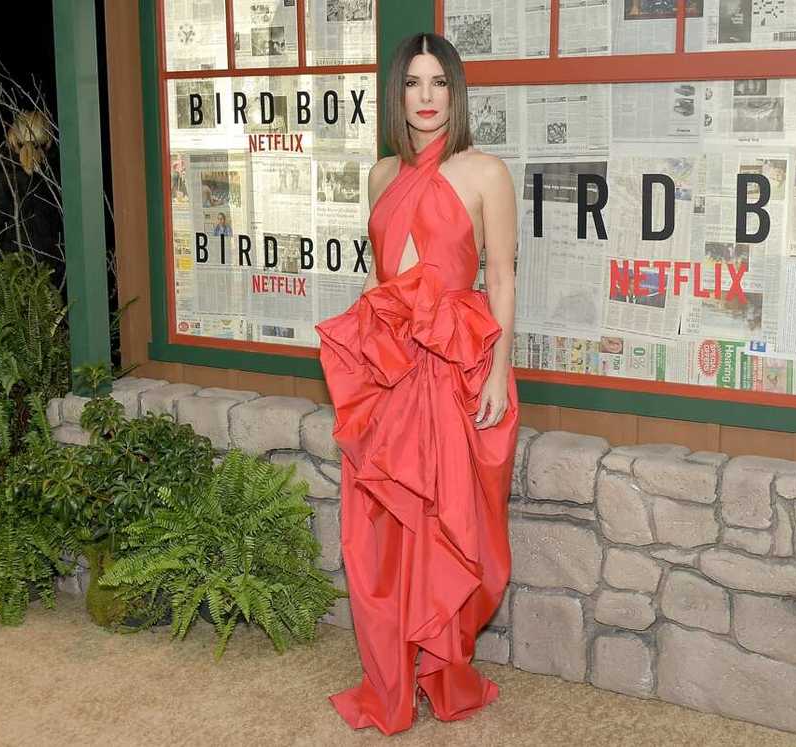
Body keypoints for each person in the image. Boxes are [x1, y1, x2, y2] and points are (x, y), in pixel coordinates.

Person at [315, 32, 519, 736]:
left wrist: (499, 367)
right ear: (397, 94)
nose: (426, 97)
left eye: (438, 83)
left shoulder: (486, 171)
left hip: (455, 367)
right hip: (390, 369)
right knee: (378, 530)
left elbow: (503, 276)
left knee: (451, 524)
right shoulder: (378, 175)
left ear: (455, 92)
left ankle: (443, 665)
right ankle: (392, 677)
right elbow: (379, 276)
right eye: (413, 83)